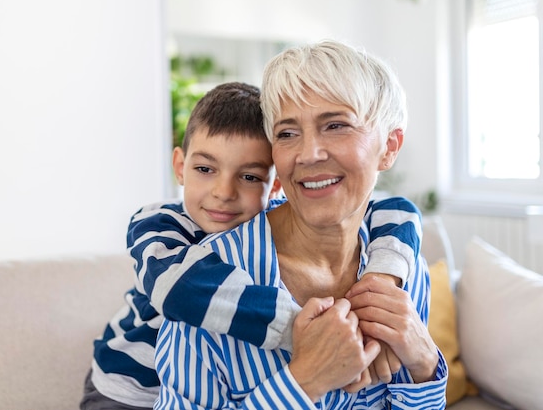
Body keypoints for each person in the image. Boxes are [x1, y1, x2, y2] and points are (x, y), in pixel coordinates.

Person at [82, 82, 423, 409]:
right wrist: (305, 329)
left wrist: (384, 277)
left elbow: (398, 209)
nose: (224, 192)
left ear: (275, 185)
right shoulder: (158, 224)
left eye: (249, 177)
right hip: (127, 390)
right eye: (204, 168)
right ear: (180, 167)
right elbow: (179, 290)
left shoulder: (277, 220)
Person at [154, 41, 448, 409]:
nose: (308, 154)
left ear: (389, 146)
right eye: (288, 133)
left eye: (336, 125)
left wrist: (425, 364)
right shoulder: (206, 284)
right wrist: (303, 380)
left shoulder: (404, 271)